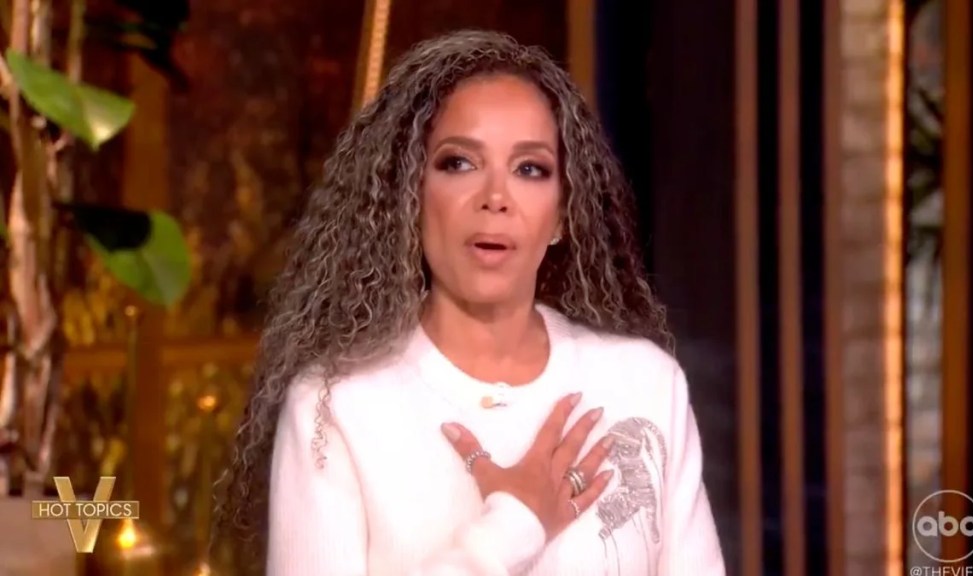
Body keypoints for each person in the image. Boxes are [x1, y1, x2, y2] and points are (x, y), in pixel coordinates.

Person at [215, 29, 725, 576]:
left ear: (562, 214)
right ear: (410, 196)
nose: (495, 198)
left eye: (530, 169)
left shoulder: (646, 383)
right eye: (459, 163)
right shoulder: (334, 406)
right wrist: (512, 528)